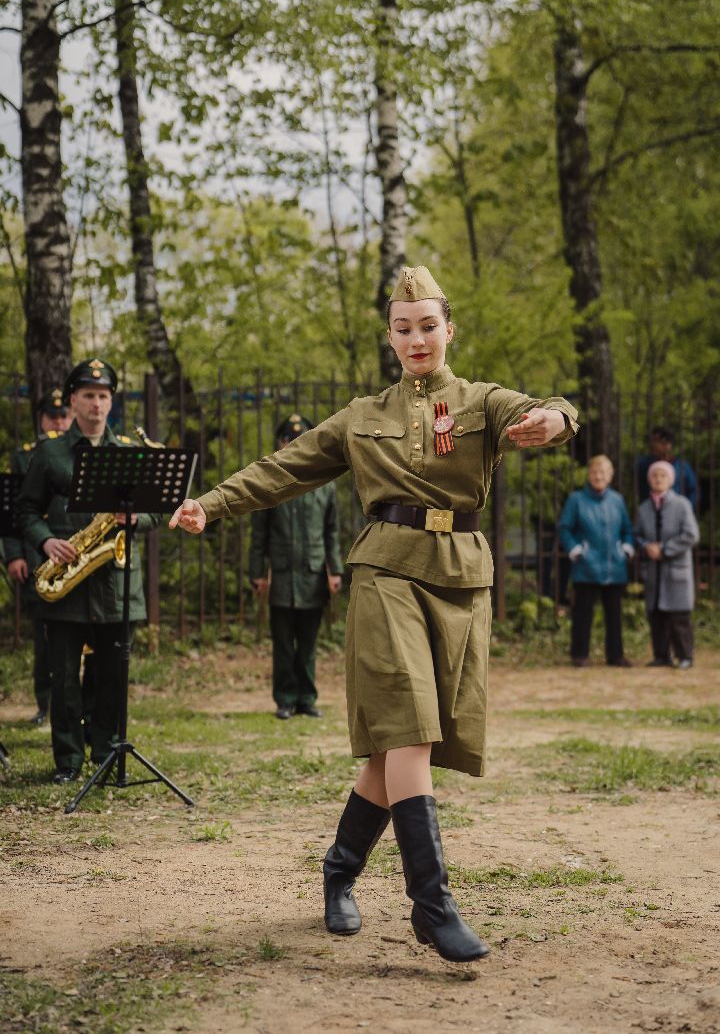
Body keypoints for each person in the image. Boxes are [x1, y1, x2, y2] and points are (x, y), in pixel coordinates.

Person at [170, 265, 578, 962]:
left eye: (428, 326)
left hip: (460, 580)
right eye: (403, 328)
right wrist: (211, 504)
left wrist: (555, 420)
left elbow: (552, 408)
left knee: (397, 751)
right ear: (389, 337)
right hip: (386, 571)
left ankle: (339, 870)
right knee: (409, 731)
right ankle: (432, 904)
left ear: (448, 330)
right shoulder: (362, 416)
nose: (417, 339)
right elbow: (285, 467)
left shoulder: (481, 402)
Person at [17, 359, 161, 784]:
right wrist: (46, 541)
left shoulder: (129, 453)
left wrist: (136, 519)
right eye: (88, 396)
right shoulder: (50, 453)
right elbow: (26, 511)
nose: (96, 404)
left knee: (111, 674)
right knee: (64, 676)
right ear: (73, 400)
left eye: (103, 396)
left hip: (116, 582)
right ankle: (68, 760)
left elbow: (156, 510)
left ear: (111, 402)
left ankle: (104, 754)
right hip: (67, 578)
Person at [250, 414, 344, 720]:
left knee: (308, 642)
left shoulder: (324, 484)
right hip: (280, 575)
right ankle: (285, 699)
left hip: (312, 574)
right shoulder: (269, 483)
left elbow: (331, 531)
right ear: (280, 444)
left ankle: (307, 698)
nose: (293, 445)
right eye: (288, 440)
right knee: (282, 643)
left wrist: (335, 570)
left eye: (300, 439)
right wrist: (257, 573)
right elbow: (259, 534)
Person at [3, 388, 73, 723]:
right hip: (37, 555)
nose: (58, 422)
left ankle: (76, 706)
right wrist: (14, 555)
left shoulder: (81, 451)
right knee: (45, 637)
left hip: (76, 552)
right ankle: (45, 703)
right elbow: (15, 513)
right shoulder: (25, 457)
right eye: (52, 416)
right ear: (41, 419)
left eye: (63, 416)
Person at [559, 454, 635, 668]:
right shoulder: (576, 499)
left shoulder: (617, 500)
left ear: (610, 476)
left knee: (614, 615)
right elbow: (564, 528)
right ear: (588, 475)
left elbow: (627, 529)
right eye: (594, 472)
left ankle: (616, 655)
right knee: (582, 614)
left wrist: (626, 549)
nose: (598, 476)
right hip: (586, 565)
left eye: (602, 472)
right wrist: (576, 550)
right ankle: (579, 654)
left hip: (614, 566)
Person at [635, 460, 699, 669]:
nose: (658, 479)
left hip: (676, 568)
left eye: (663, 475)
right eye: (654, 475)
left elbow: (691, 535)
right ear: (649, 480)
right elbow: (637, 535)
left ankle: (685, 656)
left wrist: (665, 549)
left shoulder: (682, 505)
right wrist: (646, 546)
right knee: (657, 614)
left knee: (679, 616)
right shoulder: (644, 508)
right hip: (654, 570)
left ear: (670, 480)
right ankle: (661, 655)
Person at [637, 426, 698, 511]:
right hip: (652, 511)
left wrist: (685, 508)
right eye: (652, 441)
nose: (653, 445)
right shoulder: (644, 465)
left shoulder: (682, 466)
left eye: (657, 441)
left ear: (668, 444)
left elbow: (693, 490)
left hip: (677, 511)